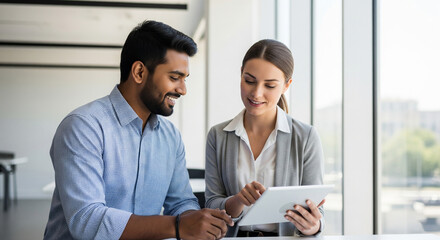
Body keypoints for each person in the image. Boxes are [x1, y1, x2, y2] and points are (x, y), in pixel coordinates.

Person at [44, 20, 233, 240]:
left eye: (184, 79)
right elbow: (87, 221)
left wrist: (200, 222)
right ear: (139, 72)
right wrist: (180, 225)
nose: (182, 89)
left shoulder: (170, 137)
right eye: (174, 78)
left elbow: (181, 203)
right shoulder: (83, 127)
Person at [205, 39, 325, 237]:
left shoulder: (306, 137)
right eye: (249, 81)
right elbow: (211, 204)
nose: (256, 93)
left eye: (269, 85)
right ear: (241, 73)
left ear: (286, 85)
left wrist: (313, 226)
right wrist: (238, 200)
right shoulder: (218, 136)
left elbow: (317, 211)